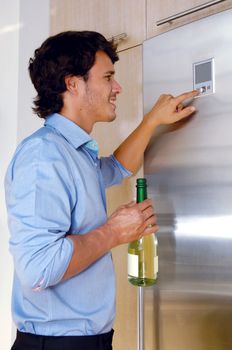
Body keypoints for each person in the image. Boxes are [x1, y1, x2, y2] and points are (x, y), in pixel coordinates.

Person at [5, 31, 198, 350]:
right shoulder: (44, 157)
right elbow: (39, 268)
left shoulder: (76, 153)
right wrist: (114, 232)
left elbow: (120, 168)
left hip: (88, 341)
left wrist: (152, 122)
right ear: (73, 84)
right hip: (55, 344)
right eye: (108, 77)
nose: (117, 87)